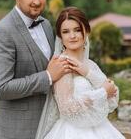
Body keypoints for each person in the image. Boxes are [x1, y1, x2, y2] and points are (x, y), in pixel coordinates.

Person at [0, 0, 72, 139]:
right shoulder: (3, 31)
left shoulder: (47, 25)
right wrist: (47, 77)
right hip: (14, 130)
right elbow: (2, 88)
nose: (37, 1)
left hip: (48, 127)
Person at [35, 7, 125, 139]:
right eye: (66, 32)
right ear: (60, 37)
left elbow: (114, 96)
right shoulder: (62, 64)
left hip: (100, 129)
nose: (72, 36)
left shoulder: (90, 65)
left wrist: (87, 72)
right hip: (71, 132)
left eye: (77, 30)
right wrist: (102, 93)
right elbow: (67, 108)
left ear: (86, 31)